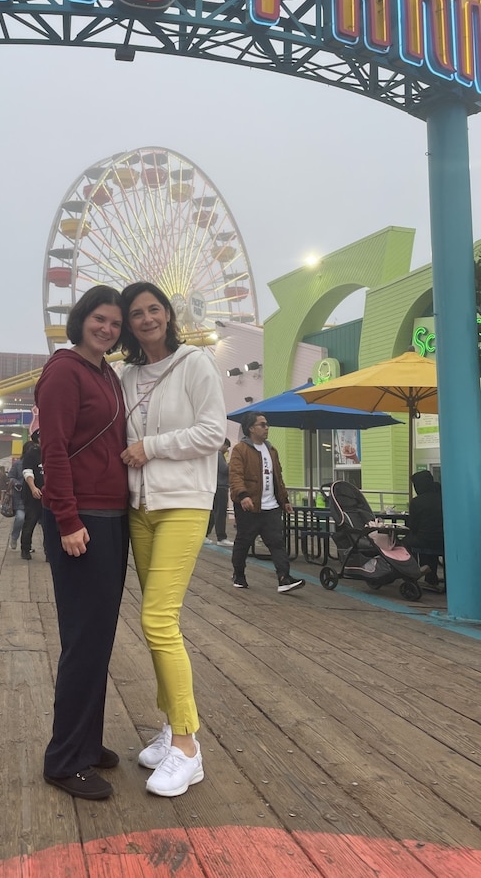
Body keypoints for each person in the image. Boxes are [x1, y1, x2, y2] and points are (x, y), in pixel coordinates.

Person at [119, 281, 226, 798]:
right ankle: (169, 726)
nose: (146, 319)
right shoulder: (127, 375)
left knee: (157, 618)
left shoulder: (195, 363)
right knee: (158, 620)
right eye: (135, 312)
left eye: (153, 309)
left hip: (183, 504)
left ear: (168, 314)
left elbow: (213, 432)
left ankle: (187, 747)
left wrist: (151, 447)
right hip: (140, 508)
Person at [36, 285, 129, 802]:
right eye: (100, 319)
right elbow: (54, 448)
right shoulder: (64, 371)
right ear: (81, 319)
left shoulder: (106, 373)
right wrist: (68, 519)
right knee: (83, 640)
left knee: (99, 639)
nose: (108, 329)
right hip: (81, 520)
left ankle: (87, 743)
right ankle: (65, 759)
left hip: (111, 517)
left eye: (115, 323)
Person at [229, 412, 306, 594]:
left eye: (267, 424)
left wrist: (284, 499)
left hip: (271, 507)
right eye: (262, 424)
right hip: (249, 506)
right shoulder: (240, 449)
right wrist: (243, 495)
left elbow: (277, 477)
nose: (266, 428)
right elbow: (235, 475)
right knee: (243, 542)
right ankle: (239, 575)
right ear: (251, 428)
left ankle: (284, 578)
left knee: (277, 543)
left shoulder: (271, 450)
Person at [407, 470, 445, 589]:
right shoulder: (443, 498)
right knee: (426, 538)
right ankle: (430, 577)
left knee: (405, 543)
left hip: (425, 540)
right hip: (444, 541)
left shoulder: (416, 502)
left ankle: (411, 574)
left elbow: (413, 526)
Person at [19, 431, 44, 560]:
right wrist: (33, 488)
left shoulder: (52, 451)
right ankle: (25, 549)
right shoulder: (32, 454)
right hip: (32, 495)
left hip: (49, 496)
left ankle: (49, 552)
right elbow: (27, 471)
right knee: (30, 522)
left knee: (49, 525)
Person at [204, 438, 232, 547]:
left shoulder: (213, 454)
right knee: (220, 512)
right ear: (222, 445)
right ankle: (221, 537)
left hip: (215, 486)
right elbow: (224, 470)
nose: (227, 450)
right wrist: (232, 463)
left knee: (214, 511)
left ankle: (205, 534)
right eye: (227, 447)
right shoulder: (219, 454)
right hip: (221, 486)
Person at [7, 456, 25, 550]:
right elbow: (10, 477)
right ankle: (14, 537)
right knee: (20, 518)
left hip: (35, 497)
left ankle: (26, 545)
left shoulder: (39, 462)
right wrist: (17, 483)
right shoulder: (18, 464)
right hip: (20, 496)